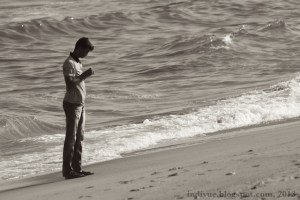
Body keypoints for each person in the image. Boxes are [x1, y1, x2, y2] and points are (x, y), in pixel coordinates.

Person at [62, 37, 95, 179]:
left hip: (80, 104)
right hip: (72, 104)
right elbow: (70, 84)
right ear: (80, 48)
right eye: (86, 51)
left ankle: (77, 168)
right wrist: (85, 75)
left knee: (79, 137)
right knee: (71, 138)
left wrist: (82, 75)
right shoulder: (69, 63)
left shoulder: (77, 62)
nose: (87, 54)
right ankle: (67, 171)